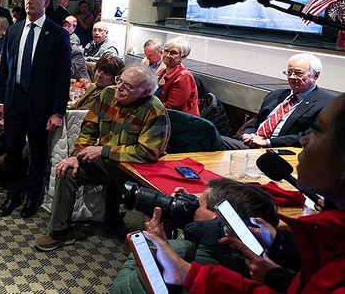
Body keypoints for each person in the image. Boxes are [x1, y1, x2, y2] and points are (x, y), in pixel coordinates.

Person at [143, 92, 345, 293]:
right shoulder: (328, 238)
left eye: (317, 130)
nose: (304, 141)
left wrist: (188, 274)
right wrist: (279, 250)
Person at [34, 65, 169, 251]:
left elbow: (146, 153)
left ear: (145, 91)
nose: (119, 87)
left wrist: (103, 150)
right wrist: (75, 156)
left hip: (135, 173)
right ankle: (60, 231)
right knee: (66, 170)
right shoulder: (107, 94)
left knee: (134, 238)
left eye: (127, 86)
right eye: (119, 81)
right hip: (107, 164)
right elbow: (89, 128)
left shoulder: (155, 111)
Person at [110, 178, 279, 294]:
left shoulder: (179, 254)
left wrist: (155, 248)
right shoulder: (274, 268)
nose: (192, 207)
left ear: (217, 216)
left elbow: (119, 290)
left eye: (198, 204)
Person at [0, 0, 72, 219]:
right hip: (15, 99)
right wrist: (0, 102)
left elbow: (62, 77)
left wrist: (58, 111)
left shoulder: (57, 34)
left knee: (38, 153)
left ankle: (32, 196)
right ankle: (13, 194)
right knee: (13, 150)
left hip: (40, 104)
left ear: (46, 2)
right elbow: (5, 71)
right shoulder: (14, 30)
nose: (29, 2)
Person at [241, 53, 335, 148]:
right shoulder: (275, 95)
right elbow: (254, 123)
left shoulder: (326, 103)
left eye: (298, 73)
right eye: (289, 72)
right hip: (249, 144)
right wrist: (247, 135)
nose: (292, 77)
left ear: (315, 76)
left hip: (279, 151)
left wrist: (268, 142)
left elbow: (311, 136)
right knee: (225, 142)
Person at [157, 37, 199, 115]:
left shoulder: (184, 76)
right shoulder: (161, 72)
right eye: (166, 51)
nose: (168, 55)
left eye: (173, 53)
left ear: (183, 57)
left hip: (178, 122)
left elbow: (171, 107)